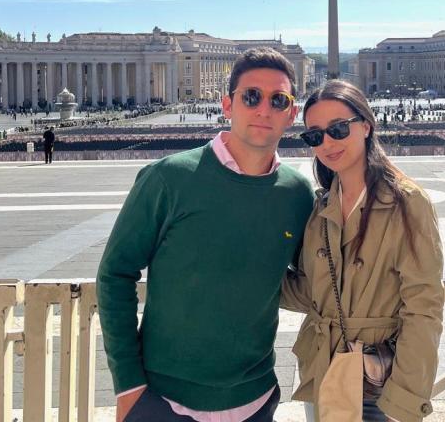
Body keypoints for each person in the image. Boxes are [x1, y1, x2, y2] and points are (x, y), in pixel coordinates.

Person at [97, 48, 314, 422]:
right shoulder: (168, 178)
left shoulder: (297, 194)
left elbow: (314, 279)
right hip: (163, 400)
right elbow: (115, 274)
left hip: (256, 399)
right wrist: (129, 385)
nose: (264, 109)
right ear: (227, 105)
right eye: (251, 96)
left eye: (279, 100)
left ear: (291, 114)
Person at [282, 80, 445, 421]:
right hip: (323, 369)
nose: (327, 142)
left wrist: (405, 398)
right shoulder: (321, 206)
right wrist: (243, 272)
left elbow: (423, 306)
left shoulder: (407, 203)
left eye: (338, 129)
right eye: (315, 135)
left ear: (366, 125)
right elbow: (313, 292)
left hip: (378, 380)